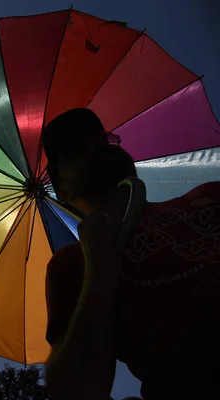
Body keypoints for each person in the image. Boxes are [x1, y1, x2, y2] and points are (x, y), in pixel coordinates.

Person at [41, 108, 220, 400]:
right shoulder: (73, 264)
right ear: (60, 189)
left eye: (103, 138)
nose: (97, 145)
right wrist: (99, 270)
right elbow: (72, 390)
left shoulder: (210, 196)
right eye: (75, 148)